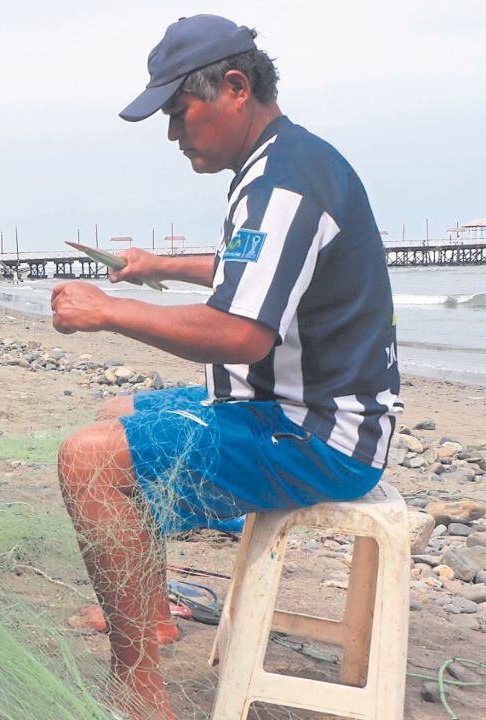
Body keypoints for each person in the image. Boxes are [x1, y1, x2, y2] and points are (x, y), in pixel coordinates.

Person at [50, 15, 402, 719]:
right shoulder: (284, 163)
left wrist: (107, 312)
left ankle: (140, 693)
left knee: (89, 461)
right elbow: (253, 267)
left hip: (317, 434)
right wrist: (157, 267)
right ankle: (150, 617)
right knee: (111, 418)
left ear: (234, 87)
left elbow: (240, 333)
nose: (174, 135)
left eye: (179, 113)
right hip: (295, 410)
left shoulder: (284, 180)